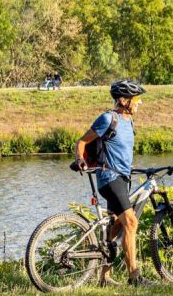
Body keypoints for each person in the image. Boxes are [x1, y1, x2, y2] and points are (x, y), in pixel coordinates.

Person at [73, 80, 152, 287]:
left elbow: (120, 152)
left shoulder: (128, 122)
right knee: (131, 222)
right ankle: (134, 277)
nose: (140, 103)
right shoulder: (109, 118)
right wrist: (80, 159)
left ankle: (104, 278)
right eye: (137, 99)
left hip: (122, 177)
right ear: (125, 100)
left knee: (115, 226)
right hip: (109, 178)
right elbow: (81, 142)